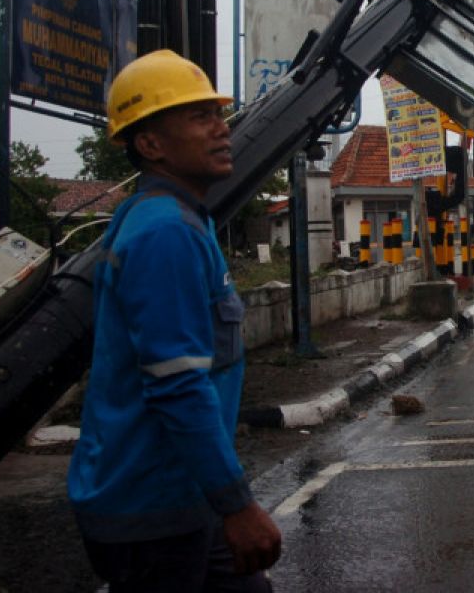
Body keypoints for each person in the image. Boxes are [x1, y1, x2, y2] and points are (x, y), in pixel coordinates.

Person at [68, 49, 282, 592]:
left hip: (179, 496)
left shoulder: (179, 217)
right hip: (151, 508)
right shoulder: (165, 233)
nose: (222, 129)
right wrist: (237, 505)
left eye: (217, 114)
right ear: (151, 144)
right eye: (200, 117)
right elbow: (177, 384)